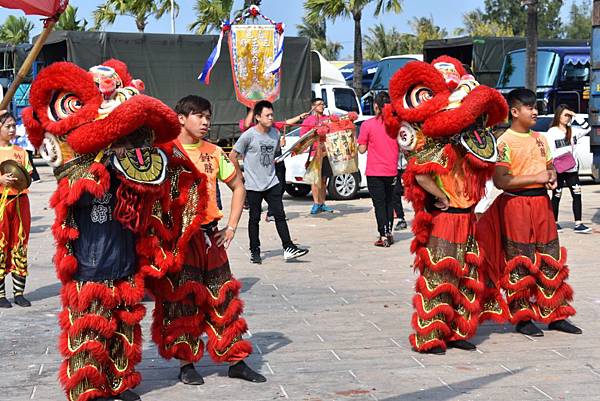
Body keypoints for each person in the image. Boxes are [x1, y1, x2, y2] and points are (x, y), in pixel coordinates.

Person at [151, 95, 266, 386]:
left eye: (208, 117)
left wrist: (231, 226)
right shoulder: (163, 153)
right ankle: (186, 364)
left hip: (210, 236)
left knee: (223, 297)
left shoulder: (214, 152)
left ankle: (236, 360)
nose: (205, 122)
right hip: (179, 241)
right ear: (180, 118)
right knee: (181, 302)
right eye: (198, 116)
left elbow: (238, 186)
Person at [489, 89, 581, 336]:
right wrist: (535, 177)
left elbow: (549, 165)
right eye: (529, 108)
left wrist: (550, 176)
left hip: (542, 203)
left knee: (550, 256)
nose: (535, 112)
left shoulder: (540, 137)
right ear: (514, 111)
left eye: (535, 107)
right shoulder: (504, 141)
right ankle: (522, 317)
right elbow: (501, 181)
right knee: (520, 259)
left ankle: (555, 314)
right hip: (516, 205)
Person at [230, 100, 309, 264]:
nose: (271, 118)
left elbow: (274, 157)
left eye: (272, 114)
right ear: (258, 117)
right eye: (267, 115)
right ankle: (255, 250)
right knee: (254, 218)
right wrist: (240, 177)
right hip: (253, 185)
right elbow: (232, 156)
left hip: (271, 182)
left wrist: (284, 150)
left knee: (280, 215)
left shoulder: (275, 134)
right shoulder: (249, 135)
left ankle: (288, 247)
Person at [240, 108, 309, 222]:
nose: (270, 117)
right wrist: (252, 107)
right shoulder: (250, 128)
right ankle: (254, 207)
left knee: (280, 187)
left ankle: (272, 213)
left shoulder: (272, 126)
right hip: (262, 164)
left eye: (271, 115)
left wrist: (300, 117)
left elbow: (286, 123)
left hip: (278, 161)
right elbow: (245, 125)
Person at [357, 92, 399, 247]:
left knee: (379, 204)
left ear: (376, 106)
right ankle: (389, 232)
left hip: (375, 172)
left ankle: (383, 235)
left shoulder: (367, 125)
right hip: (392, 170)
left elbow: (361, 149)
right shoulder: (396, 124)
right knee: (389, 203)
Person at [0, 111, 32, 308]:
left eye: (13, 126)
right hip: (1, 202)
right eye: (8, 126)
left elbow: (28, 174)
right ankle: (1, 294)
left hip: (21, 201)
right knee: (0, 245)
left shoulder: (22, 152)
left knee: (20, 244)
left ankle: (19, 293)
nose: (12, 130)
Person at [544, 104, 591, 233]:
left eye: (569, 115)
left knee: (577, 194)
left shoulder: (573, 130)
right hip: (559, 169)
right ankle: (554, 223)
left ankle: (578, 223)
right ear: (558, 116)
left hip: (572, 169)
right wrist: (550, 168)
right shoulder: (552, 132)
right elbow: (549, 151)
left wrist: (575, 115)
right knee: (557, 195)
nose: (567, 118)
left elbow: (587, 128)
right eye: (565, 115)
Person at [300, 98, 334, 214]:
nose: (322, 106)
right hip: (314, 153)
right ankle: (316, 203)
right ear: (313, 107)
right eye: (319, 104)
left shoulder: (327, 119)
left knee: (324, 179)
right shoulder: (309, 120)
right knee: (315, 179)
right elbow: (303, 137)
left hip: (326, 152)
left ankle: (322, 202)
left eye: (323, 104)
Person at [393, 151, 408, 231]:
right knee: (395, 192)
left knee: (416, 192)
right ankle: (400, 218)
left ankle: (422, 216)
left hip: (410, 163)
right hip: (394, 165)